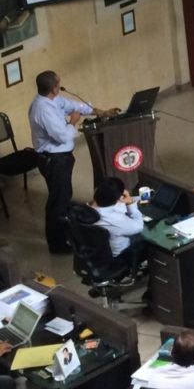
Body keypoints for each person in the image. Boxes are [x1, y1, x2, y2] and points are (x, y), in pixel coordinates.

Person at [28, 70, 116, 254]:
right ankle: (57, 244)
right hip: (54, 160)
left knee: (63, 197)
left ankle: (65, 233)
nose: (60, 86)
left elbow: (72, 105)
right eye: (58, 83)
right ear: (54, 88)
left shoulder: (52, 100)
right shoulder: (43, 109)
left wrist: (99, 111)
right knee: (58, 202)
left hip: (61, 159)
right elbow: (61, 136)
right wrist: (73, 121)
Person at [90, 176, 146, 273]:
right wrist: (130, 203)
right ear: (116, 199)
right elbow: (139, 226)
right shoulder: (115, 220)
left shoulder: (84, 211)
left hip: (96, 254)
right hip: (120, 256)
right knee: (148, 238)